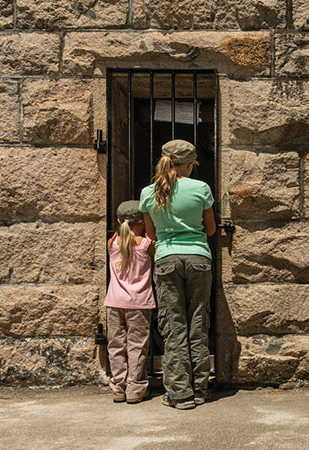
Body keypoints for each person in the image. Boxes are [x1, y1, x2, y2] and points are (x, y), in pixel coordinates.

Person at [139, 139, 216, 410]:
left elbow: (150, 235)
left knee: (173, 326)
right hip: (198, 258)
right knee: (198, 323)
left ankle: (180, 394)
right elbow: (210, 230)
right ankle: (199, 390)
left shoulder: (149, 192)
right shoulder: (201, 189)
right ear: (189, 164)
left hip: (166, 259)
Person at [105, 200, 155, 404]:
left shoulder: (112, 243)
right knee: (137, 346)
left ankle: (119, 388)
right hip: (140, 303)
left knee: (116, 345)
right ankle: (135, 389)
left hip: (114, 301)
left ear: (118, 221)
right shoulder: (146, 245)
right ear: (142, 222)